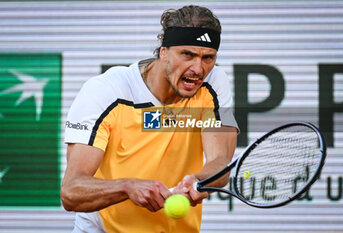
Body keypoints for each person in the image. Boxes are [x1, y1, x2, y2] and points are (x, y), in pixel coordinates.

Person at [61, 5, 239, 233]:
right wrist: (126, 187)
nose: (198, 68)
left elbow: (221, 163)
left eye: (208, 57)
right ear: (163, 52)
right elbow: (71, 191)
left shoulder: (214, 83)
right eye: (187, 54)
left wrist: (197, 179)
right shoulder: (106, 91)